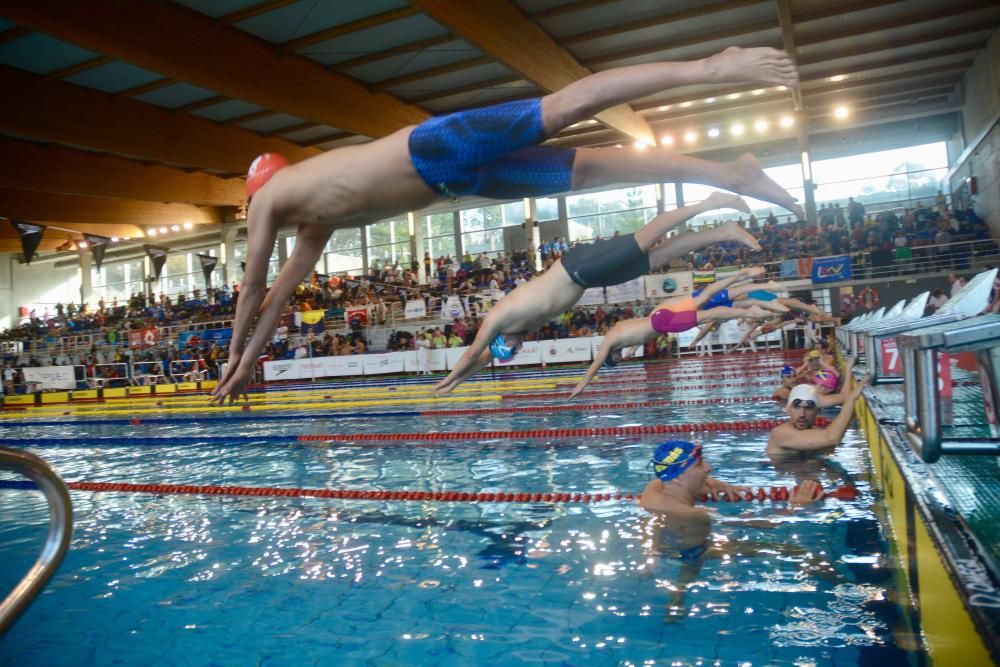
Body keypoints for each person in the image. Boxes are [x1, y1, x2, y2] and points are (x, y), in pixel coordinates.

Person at [211, 46, 802, 403]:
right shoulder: (314, 226)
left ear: (254, 190)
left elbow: (254, 292)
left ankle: (712, 67)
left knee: (563, 108)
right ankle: (730, 173)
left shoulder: (272, 199)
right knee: (592, 171)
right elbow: (277, 299)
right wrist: (243, 366)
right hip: (458, 181)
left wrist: (235, 359)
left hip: (435, 150)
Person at [433, 193, 761, 395]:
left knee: (646, 237)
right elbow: (484, 361)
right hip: (588, 279)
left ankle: (711, 202)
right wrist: (462, 382)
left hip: (579, 268)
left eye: (512, 350)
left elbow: (473, 354)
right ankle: (723, 232)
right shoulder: (517, 331)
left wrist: (449, 380)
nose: (519, 349)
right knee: (656, 257)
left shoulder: (498, 318)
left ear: (503, 341)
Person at [569, 267, 786, 398]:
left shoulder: (611, 342)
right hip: (659, 311)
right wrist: (633, 346)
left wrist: (582, 384)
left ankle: (751, 311)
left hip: (663, 323)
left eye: (614, 360)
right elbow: (638, 333)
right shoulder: (619, 332)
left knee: (710, 316)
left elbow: (596, 362)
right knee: (706, 294)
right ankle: (743, 274)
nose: (618, 358)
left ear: (611, 356)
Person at [767, 377, 869, 455]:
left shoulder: (817, 432)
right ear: (788, 410)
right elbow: (832, 438)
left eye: (809, 408)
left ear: (818, 411)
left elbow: (830, 446)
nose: (802, 414)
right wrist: (851, 399)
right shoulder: (780, 433)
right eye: (796, 407)